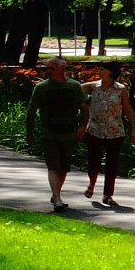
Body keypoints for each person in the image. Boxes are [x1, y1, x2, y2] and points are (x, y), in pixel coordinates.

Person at [26, 55, 88, 211]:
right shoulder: (41, 88)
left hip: (69, 133)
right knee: (53, 166)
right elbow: (31, 111)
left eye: (51, 68)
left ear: (62, 68)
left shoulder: (74, 86)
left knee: (64, 167)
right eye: (47, 68)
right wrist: (30, 132)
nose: (48, 71)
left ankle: (56, 194)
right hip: (49, 134)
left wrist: (82, 126)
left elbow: (84, 108)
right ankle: (58, 199)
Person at [82, 61, 135, 207]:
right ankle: (91, 184)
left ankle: (108, 195)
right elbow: (75, 90)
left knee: (112, 164)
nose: (100, 71)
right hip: (95, 130)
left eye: (103, 69)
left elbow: (127, 108)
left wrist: (133, 128)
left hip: (115, 130)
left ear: (111, 72)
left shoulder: (121, 89)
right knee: (93, 161)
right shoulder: (92, 87)